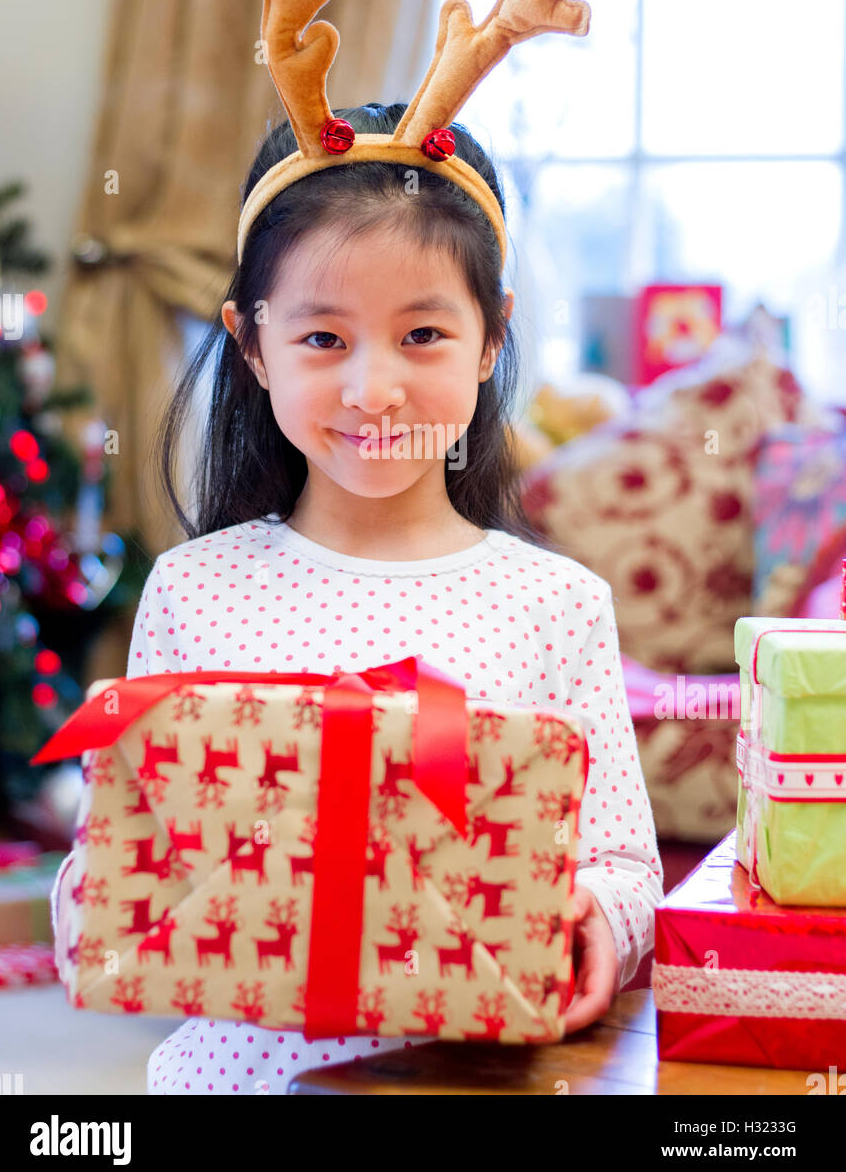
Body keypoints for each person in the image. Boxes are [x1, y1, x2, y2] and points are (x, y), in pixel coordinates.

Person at [51, 101, 663, 1094]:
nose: (372, 388)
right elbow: (105, 857)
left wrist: (590, 917)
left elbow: (623, 868)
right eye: (323, 339)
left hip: (453, 1080)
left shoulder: (554, 601)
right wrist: (106, 908)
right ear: (251, 347)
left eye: (420, 332)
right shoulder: (194, 588)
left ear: (490, 336)